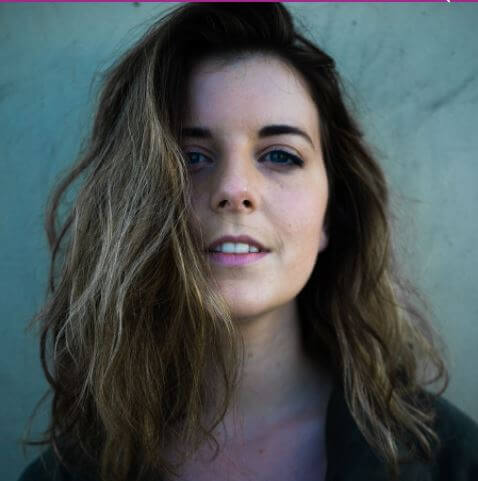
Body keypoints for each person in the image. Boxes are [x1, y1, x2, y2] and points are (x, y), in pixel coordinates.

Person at [18, 3, 478, 481]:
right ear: (133, 199)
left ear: (331, 212)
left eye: (280, 155)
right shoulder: (61, 475)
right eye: (191, 157)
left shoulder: (454, 462)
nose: (234, 189)